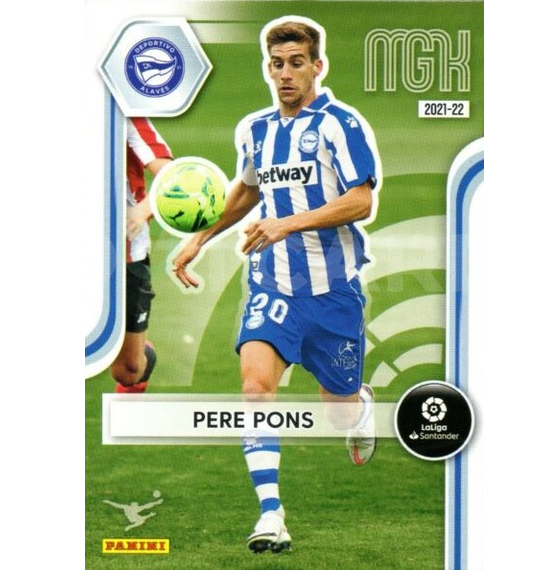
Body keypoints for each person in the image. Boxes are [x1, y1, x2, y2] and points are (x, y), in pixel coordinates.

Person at [173, 16, 382, 553]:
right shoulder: (255, 130)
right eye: (277, 64)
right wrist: (201, 238)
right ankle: (271, 514)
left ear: (317, 66)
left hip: (333, 292)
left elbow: (361, 200)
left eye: (296, 63)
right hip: (272, 286)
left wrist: (286, 223)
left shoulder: (340, 125)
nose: (285, 74)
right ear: (267, 68)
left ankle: (358, 403)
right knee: (255, 389)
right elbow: (247, 190)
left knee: (336, 410)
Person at [110, 118, 173, 393]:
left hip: (126, 252)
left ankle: (139, 355)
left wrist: (143, 210)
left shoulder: (122, 116)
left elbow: (172, 176)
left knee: (128, 371)